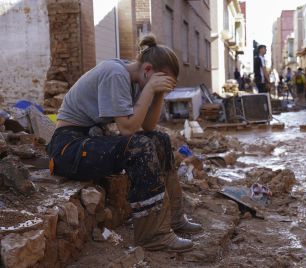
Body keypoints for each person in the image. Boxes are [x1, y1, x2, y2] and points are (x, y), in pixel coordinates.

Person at [46, 35, 202, 253]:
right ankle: (153, 235)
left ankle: (174, 218)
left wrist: (157, 94)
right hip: (68, 147)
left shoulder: (136, 78)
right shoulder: (115, 73)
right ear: (148, 70)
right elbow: (127, 129)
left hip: (91, 139)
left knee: (159, 140)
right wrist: (149, 90)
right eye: (161, 80)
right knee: (139, 146)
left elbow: (148, 126)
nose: (161, 85)